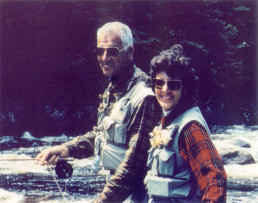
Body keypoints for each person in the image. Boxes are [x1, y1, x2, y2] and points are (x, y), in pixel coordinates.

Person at [36, 21, 161, 202]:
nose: (104, 57)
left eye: (112, 51)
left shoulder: (144, 97)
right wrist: (65, 149)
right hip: (119, 192)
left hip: (138, 195)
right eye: (99, 51)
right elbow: (102, 134)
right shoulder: (114, 87)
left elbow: (132, 167)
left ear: (130, 52)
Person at [144, 44, 227, 202]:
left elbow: (216, 179)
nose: (165, 89)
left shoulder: (190, 128)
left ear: (186, 88)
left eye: (173, 84)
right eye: (159, 83)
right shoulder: (169, 121)